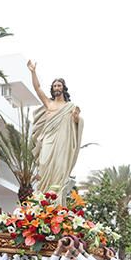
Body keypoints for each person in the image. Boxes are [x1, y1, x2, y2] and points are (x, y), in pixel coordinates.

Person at [27, 60, 82, 199]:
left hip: (63, 141)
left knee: (59, 167)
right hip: (48, 140)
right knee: (44, 164)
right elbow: (37, 88)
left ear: (63, 88)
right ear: (52, 88)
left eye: (59, 85)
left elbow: (76, 124)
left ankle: (56, 199)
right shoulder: (48, 103)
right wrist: (33, 72)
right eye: (55, 85)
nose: (57, 87)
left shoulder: (70, 106)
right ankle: (42, 196)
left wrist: (76, 118)